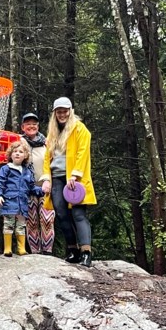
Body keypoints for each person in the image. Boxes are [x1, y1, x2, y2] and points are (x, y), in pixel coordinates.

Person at [41, 97, 96, 267]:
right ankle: (73, 250)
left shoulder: (80, 129)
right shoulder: (52, 132)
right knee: (62, 214)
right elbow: (47, 158)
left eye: (65, 111)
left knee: (78, 214)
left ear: (70, 111)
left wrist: (75, 175)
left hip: (74, 179)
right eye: (59, 111)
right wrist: (46, 179)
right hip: (57, 177)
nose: (62, 114)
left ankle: (86, 252)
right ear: (55, 113)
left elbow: (82, 153)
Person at [0, 139, 43, 257]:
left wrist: (42, 191)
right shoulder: (6, 168)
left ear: (25, 155)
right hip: (9, 203)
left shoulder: (27, 171)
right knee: (8, 224)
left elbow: (31, 187)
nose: (17, 153)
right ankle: (7, 248)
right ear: (10, 154)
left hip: (22, 204)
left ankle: (21, 249)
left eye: (21, 152)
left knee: (21, 226)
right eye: (15, 151)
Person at [19, 112, 53, 255]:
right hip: (27, 189)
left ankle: (47, 250)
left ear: (38, 126)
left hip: (45, 186)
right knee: (31, 221)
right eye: (28, 124)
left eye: (34, 124)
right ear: (22, 127)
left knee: (47, 219)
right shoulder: (19, 142)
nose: (31, 126)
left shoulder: (47, 143)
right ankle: (35, 252)